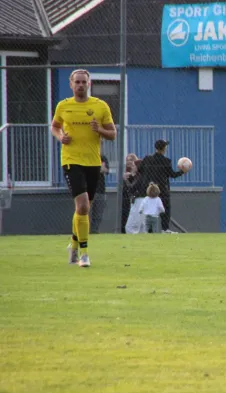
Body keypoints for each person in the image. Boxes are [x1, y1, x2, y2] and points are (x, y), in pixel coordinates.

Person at [51, 69, 116, 268]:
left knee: (84, 208)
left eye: (83, 82)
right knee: (83, 206)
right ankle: (84, 254)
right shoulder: (64, 105)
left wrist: (100, 130)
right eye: (77, 82)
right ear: (71, 85)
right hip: (71, 160)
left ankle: (73, 243)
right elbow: (55, 126)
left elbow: (112, 134)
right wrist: (61, 137)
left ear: (89, 84)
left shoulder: (100, 106)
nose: (80, 85)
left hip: (93, 163)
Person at [138, 139, 187, 233]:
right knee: (165, 209)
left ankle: (149, 230)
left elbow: (140, 170)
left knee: (149, 209)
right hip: (162, 190)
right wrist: (182, 171)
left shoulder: (147, 159)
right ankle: (165, 228)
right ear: (164, 149)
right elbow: (172, 174)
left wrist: (148, 178)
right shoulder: (165, 161)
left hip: (149, 189)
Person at [125, 156, 147, 234]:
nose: (132, 167)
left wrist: (126, 180)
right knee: (142, 225)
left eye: (134, 166)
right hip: (141, 200)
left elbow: (132, 188)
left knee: (130, 227)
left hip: (139, 201)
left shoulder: (140, 177)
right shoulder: (139, 176)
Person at [90, 154, 109, 234]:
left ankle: (94, 231)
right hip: (88, 190)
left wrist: (100, 168)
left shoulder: (103, 157)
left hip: (100, 190)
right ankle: (84, 231)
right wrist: (99, 167)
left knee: (98, 214)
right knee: (86, 213)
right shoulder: (87, 156)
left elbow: (105, 170)